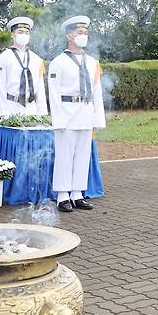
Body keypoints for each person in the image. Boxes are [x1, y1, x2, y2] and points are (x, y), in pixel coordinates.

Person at [47, 16, 105, 213]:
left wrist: (98, 117)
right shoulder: (58, 62)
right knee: (65, 155)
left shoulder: (92, 62)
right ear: (69, 35)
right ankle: (63, 195)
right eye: (80, 32)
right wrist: (58, 119)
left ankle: (78, 193)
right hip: (67, 113)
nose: (84, 36)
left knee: (83, 155)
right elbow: (53, 94)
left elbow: (97, 91)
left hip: (86, 112)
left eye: (86, 33)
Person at [0, 17, 48, 119]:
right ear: (12, 34)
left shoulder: (37, 59)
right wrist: (4, 114)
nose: (24, 35)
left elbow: (40, 88)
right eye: (20, 32)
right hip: (11, 108)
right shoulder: (3, 58)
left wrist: (42, 113)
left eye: (26, 32)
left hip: (32, 109)